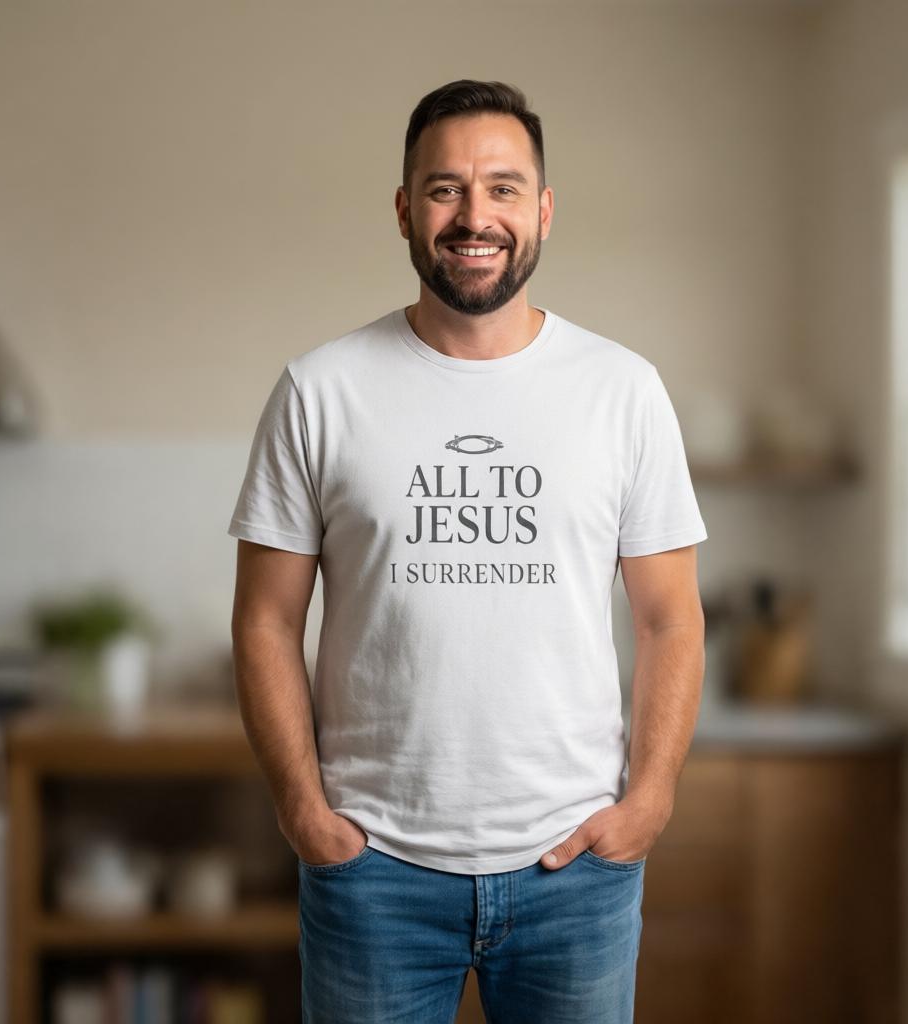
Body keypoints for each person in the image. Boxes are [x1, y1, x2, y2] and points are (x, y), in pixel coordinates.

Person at [228, 79, 708, 1024]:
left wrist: (648, 799)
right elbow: (265, 620)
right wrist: (303, 813)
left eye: (502, 187)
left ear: (543, 209)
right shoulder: (320, 391)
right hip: (374, 872)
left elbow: (669, 617)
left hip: (575, 869)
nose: (474, 215)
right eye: (445, 189)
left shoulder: (623, 390)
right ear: (406, 209)